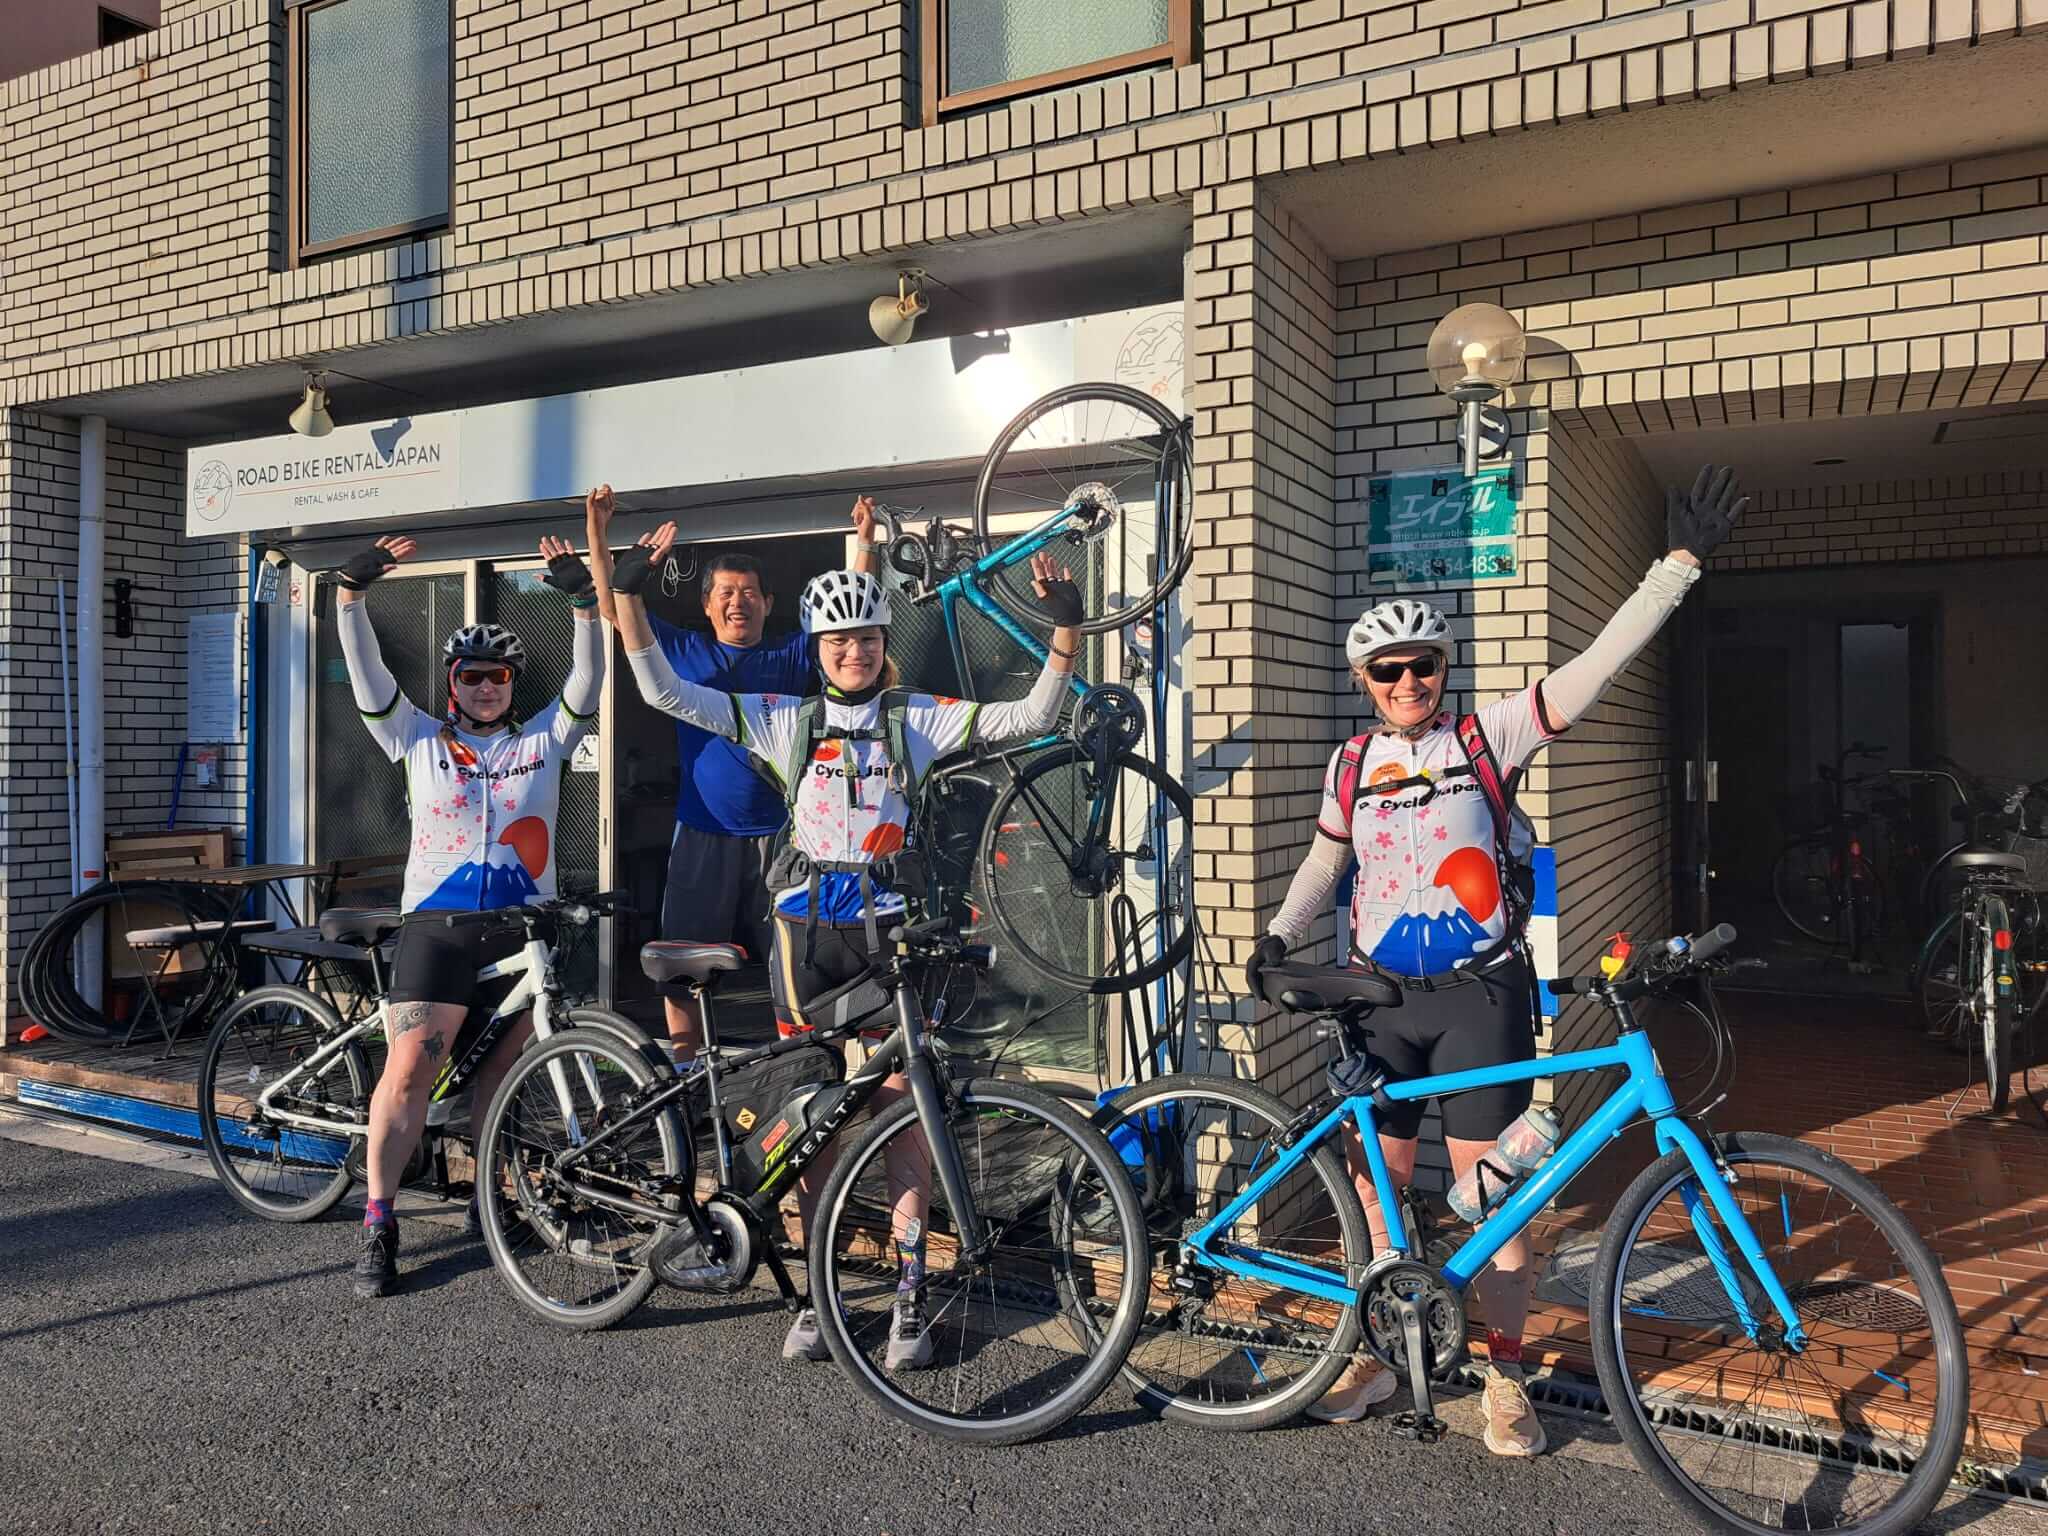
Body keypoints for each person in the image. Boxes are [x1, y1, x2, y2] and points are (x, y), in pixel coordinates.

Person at [1250, 464, 1749, 1454]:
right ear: (1363, 683)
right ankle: (1384, 1353)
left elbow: (1595, 665)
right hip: (1376, 1001)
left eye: (1420, 666)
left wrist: (1676, 568)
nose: (1405, 684)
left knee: (1494, 1203)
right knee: (1374, 1193)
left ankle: (1505, 1374)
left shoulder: (1488, 737)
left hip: (1480, 1001)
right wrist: (1273, 934)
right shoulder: (1349, 764)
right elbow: (1323, 860)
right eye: (1385, 672)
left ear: (1442, 669)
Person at [596, 519, 1082, 1371]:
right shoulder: (785, 717)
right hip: (804, 938)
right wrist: (628, 594)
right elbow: (669, 694)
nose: (851, 651)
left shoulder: (917, 719)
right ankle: (821, 1297)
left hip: (888, 936)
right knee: (812, 1117)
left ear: (880, 642)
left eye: (864, 637)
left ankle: (906, 1298)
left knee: (901, 1110)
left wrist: (1066, 631)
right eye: (836, 640)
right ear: (816, 648)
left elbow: (1035, 713)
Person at [333, 526, 605, 1299]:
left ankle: (487, 1205)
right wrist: (352, 595)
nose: (487, 688)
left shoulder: (547, 740)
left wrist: (584, 603)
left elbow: (589, 681)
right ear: (452, 682)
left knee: (500, 1083)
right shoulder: (415, 736)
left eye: (499, 678)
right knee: (412, 1072)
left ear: (514, 684)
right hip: (437, 933)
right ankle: (379, 1219)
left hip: (523, 934)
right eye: (473, 677)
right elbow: (366, 673)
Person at [584, 485, 882, 1068]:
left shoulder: (793, 657)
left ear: (770, 603)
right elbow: (613, 609)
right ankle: (690, 1067)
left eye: (749, 593)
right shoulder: (686, 651)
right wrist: (598, 537)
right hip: (702, 832)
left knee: (796, 962)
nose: (737, 602)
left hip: (786, 842)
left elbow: (848, 617)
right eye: (726, 593)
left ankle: (796, 1071)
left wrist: (864, 545)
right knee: (681, 961)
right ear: (708, 603)